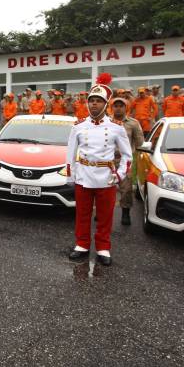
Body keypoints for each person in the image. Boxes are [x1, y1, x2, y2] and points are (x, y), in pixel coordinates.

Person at [67, 73, 131, 266]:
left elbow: (127, 155)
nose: (94, 104)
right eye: (91, 100)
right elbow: (70, 153)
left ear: (106, 104)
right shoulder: (78, 126)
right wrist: (71, 176)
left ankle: (103, 248)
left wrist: (119, 175)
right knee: (82, 213)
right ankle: (82, 245)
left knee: (105, 215)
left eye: (98, 101)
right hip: (84, 175)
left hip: (106, 177)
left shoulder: (116, 127)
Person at [111, 96, 144, 226]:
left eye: (121, 106)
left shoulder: (133, 123)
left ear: (126, 108)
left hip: (124, 161)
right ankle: (100, 213)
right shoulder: (106, 121)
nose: (118, 108)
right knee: (103, 188)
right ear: (112, 107)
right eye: (116, 106)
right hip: (107, 160)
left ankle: (125, 213)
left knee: (126, 189)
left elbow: (140, 142)